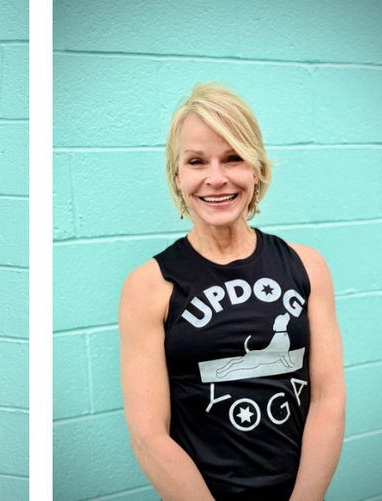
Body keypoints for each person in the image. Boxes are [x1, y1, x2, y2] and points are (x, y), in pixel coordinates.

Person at [118, 83, 344, 500]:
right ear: (177, 175)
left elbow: (328, 398)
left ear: (255, 169)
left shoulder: (307, 266)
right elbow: (149, 435)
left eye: (234, 158)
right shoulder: (149, 286)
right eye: (197, 161)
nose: (216, 178)